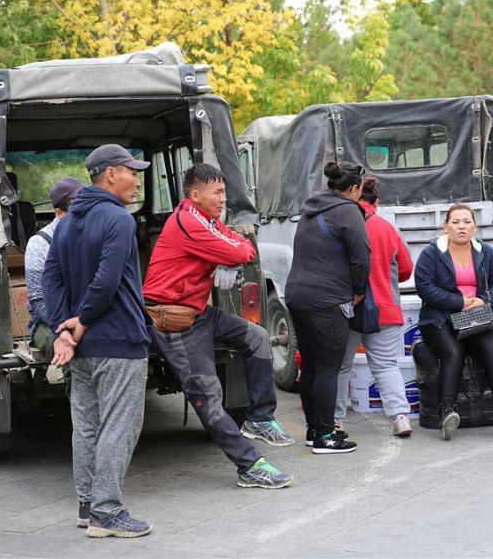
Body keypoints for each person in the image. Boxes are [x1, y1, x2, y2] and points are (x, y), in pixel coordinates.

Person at [143, 163, 296, 489]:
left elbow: (245, 248)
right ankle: (249, 465)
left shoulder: (207, 220)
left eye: (224, 191)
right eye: (217, 192)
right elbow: (239, 250)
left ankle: (260, 419)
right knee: (208, 397)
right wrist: (230, 255)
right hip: (177, 320)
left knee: (257, 337)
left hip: (198, 313)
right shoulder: (189, 221)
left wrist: (231, 253)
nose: (223, 198)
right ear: (195, 194)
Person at [42, 144, 153, 538]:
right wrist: (82, 322)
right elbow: (106, 282)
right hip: (119, 341)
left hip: (83, 349)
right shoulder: (119, 220)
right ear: (109, 175)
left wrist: (63, 329)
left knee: (87, 426)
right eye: (131, 172)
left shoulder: (68, 220)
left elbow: (50, 276)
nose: (137, 180)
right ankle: (106, 512)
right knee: (118, 426)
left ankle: (88, 504)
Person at [414, 203, 493, 441]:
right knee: (453, 353)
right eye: (455, 222)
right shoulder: (432, 252)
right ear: (446, 226)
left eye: (466, 222)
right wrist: (458, 302)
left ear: (475, 226)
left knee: (491, 350)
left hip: (477, 315)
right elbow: (424, 287)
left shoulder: (485, 251)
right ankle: (447, 412)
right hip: (440, 316)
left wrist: (483, 301)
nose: (461, 227)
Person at [285, 161, 371, 454]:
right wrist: (358, 290)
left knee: (310, 365)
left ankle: (314, 429)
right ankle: (325, 435)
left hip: (297, 295)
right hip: (327, 300)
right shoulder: (348, 210)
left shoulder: (312, 209)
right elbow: (361, 256)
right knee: (328, 369)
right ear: (355, 188)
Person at [334, 177, 414, 437]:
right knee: (386, 365)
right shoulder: (388, 228)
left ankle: (335, 420)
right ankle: (400, 417)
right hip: (386, 309)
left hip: (350, 308)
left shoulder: (343, 224)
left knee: (341, 366)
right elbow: (404, 269)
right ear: (376, 202)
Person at [25, 177, 84, 351]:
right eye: (77, 211)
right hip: (49, 322)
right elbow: (37, 300)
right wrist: (66, 324)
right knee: (74, 345)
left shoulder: (90, 234)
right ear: (59, 214)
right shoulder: (40, 243)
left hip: (86, 317)